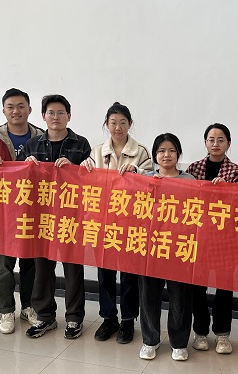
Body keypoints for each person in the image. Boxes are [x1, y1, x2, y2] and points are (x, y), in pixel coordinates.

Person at [81, 102, 153, 344]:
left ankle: (128, 320)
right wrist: (84, 168)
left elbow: (153, 182)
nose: (118, 127)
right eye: (113, 123)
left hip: (130, 223)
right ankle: (108, 318)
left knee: (130, 274)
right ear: (106, 124)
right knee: (105, 273)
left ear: (130, 124)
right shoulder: (97, 151)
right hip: (103, 222)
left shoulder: (141, 152)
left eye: (123, 122)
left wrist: (137, 171)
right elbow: (87, 182)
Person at [0, 88, 43, 335]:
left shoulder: (41, 137)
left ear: (29, 109)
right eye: (11, 107)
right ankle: (6, 310)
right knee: (3, 265)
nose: (16, 111)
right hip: (2, 213)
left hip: (33, 212)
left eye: (21, 106)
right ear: (3, 111)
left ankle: (28, 307)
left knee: (30, 264)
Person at [23, 94, 91, 339]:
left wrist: (74, 169)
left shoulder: (81, 144)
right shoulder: (32, 144)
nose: (55, 117)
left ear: (68, 116)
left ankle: (74, 318)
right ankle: (44, 316)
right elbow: (20, 180)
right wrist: (26, 165)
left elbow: (90, 180)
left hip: (71, 215)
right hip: (42, 216)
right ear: (43, 116)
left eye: (61, 112)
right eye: (51, 112)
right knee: (42, 268)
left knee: (73, 268)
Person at [186, 123, 238, 354]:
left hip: (225, 239)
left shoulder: (236, 172)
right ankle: (200, 332)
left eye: (221, 140)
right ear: (205, 143)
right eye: (211, 140)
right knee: (196, 289)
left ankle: (222, 334)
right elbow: (183, 199)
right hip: (197, 239)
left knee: (224, 289)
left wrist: (226, 191)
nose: (215, 144)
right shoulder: (194, 168)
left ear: (228, 143)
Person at [138, 133, 195, 362]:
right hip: (150, 247)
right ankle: (149, 340)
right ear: (155, 155)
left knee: (180, 297)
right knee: (148, 295)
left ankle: (179, 343)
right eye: (161, 151)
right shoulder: (145, 179)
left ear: (178, 154)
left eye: (171, 150)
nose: (166, 155)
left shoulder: (190, 180)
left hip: (180, 247)